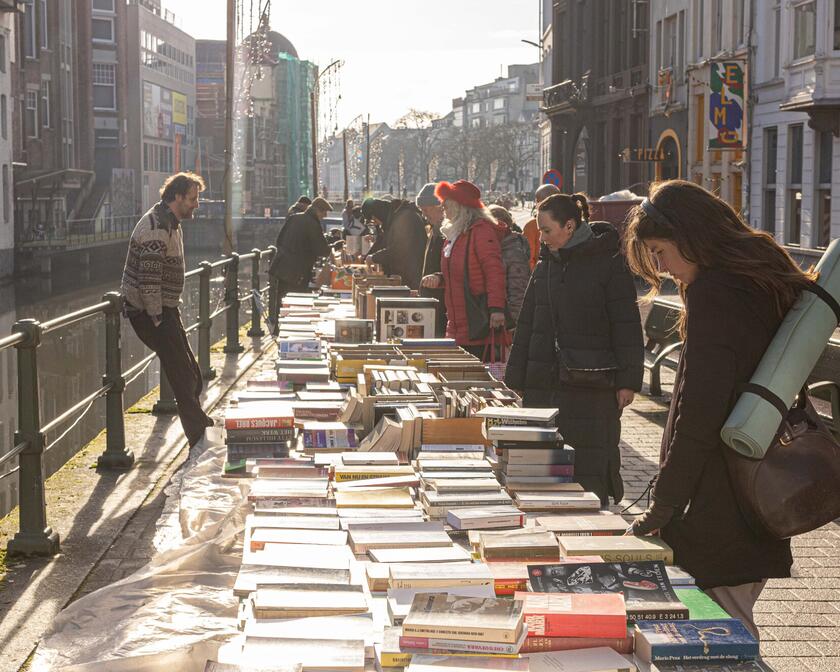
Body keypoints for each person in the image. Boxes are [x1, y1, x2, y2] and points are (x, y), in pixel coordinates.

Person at [624, 180, 814, 639]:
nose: (661, 268)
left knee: (723, 633)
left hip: (719, 499)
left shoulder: (716, 292)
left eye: (660, 252)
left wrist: (664, 504)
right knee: (728, 621)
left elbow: (699, 412)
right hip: (755, 488)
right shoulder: (755, 279)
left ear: (691, 237)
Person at [504, 193, 643, 506]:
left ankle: (593, 522)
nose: (541, 237)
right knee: (548, 466)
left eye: (546, 230)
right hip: (544, 380)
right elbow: (529, 320)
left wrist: (627, 380)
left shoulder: (607, 262)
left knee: (590, 458)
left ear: (569, 226)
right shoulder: (546, 264)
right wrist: (516, 377)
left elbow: (626, 323)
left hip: (591, 384)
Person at [121, 172, 213, 447]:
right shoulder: (156, 227)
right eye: (193, 199)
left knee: (191, 372)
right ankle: (198, 436)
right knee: (181, 373)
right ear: (178, 197)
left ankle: (200, 425)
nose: (197, 204)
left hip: (165, 309)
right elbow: (149, 281)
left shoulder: (170, 222)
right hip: (150, 313)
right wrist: (159, 318)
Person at [420, 180, 506, 358]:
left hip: (477, 323)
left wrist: (496, 309)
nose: (443, 208)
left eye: (446, 204)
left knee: (476, 377)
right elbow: (458, 273)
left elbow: (494, 272)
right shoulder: (454, 234)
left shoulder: (481, 232)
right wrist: (439, 279)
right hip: (456, 324)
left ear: (460, 207)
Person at [268, 197, 333, 327]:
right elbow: (321, 249)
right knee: (295, 304)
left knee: (281, 301)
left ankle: (277, 329)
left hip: (281, 267)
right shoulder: (312, 224)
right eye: (324, 213)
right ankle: (289, 332)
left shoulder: (294, 218)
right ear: (317, 211)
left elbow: (279, 240)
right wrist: (331, 247)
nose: (324, 217)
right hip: (297, 272)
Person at [362, 197, 427, 290]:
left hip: (411, 279)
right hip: (405, 276)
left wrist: (373, 258)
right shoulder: (394, 218)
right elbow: (382, 242)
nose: (376, 223)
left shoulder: (404, 218)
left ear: (378, 213)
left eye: (374, 219)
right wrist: (368, 257)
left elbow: (398, 251)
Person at [488, 205, 531, 326]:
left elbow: (518, 288)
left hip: (509, 320)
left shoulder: (512, 252)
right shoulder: (501, 247)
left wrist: (513, 323)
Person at [416, 183, 447, 336]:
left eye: (426, 210)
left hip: (441, 303)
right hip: (432, 299)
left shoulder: (446, 233)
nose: (424, 215)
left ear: (439, 206)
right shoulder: (434, 230)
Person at [522, 184, 561, 270]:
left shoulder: (531, 226)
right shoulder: (568, 223)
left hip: (542, 278)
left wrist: (535, 279)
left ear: (538, 202)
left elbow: (528, 259)